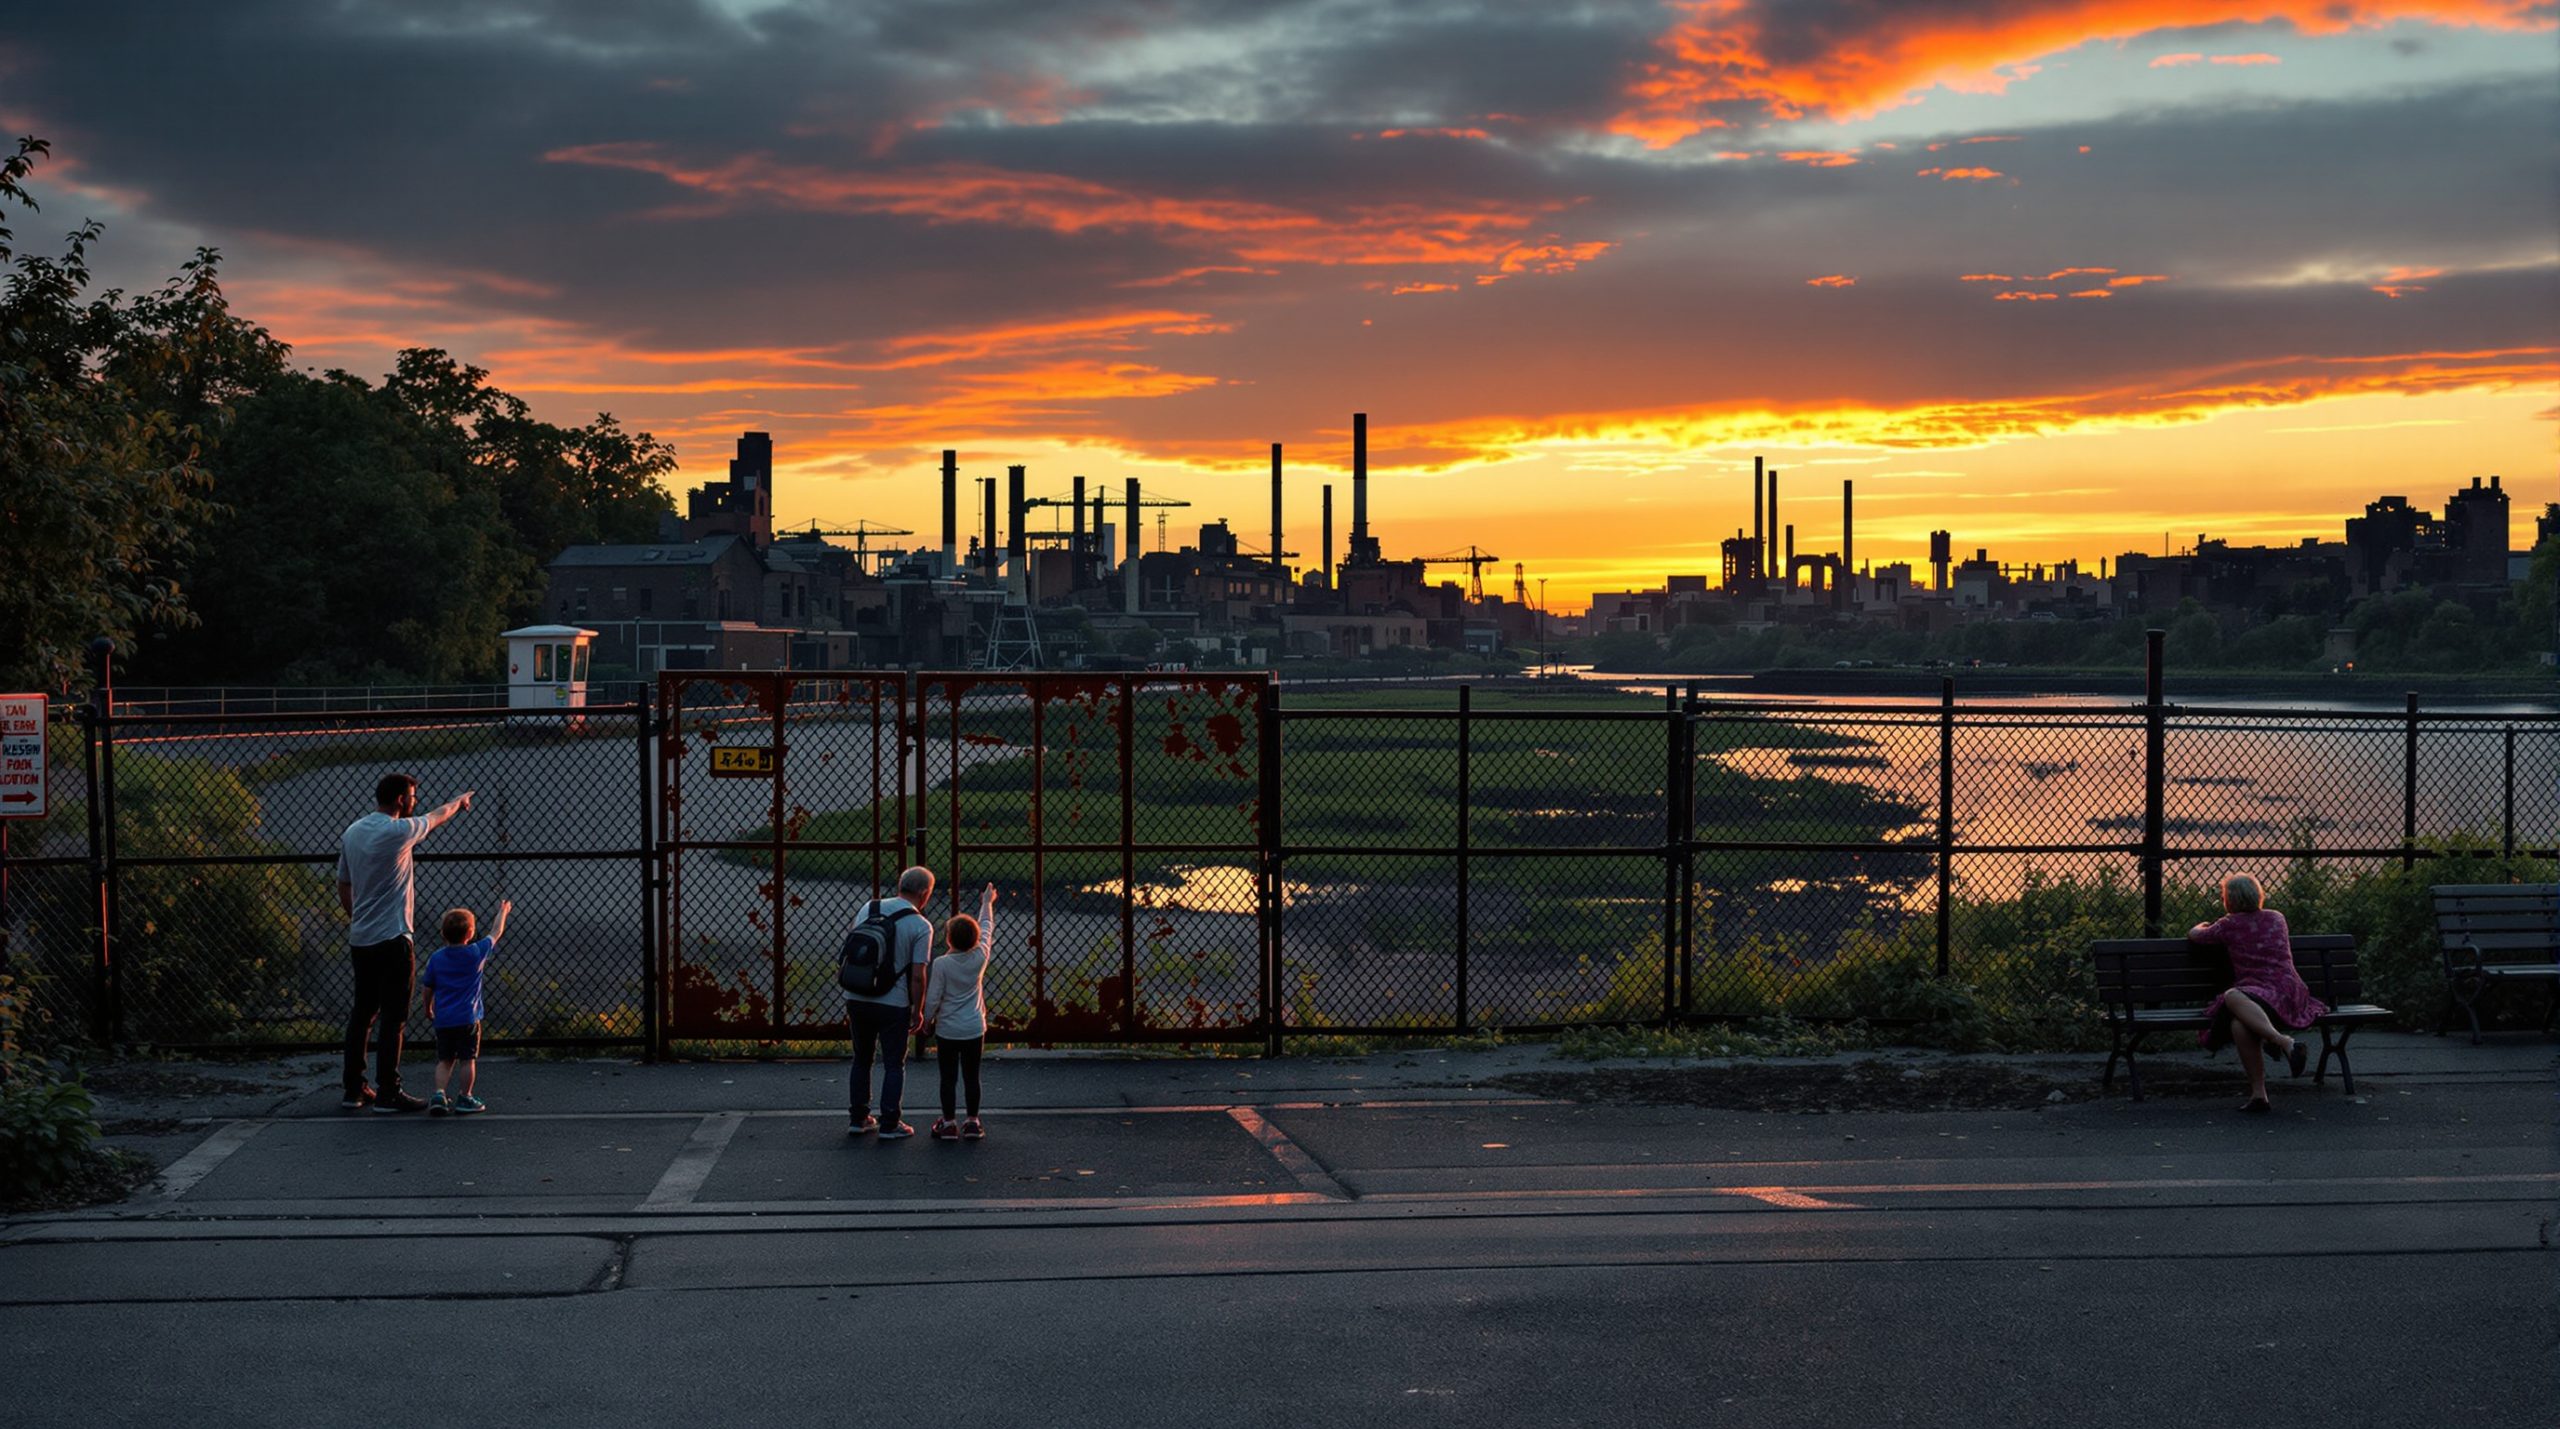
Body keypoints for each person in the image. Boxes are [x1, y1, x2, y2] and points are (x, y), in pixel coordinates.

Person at [336, 773, 473, 1113]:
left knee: (362, 1014)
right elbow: (438, 816)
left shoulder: (353, 832)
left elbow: (344, 884)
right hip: (394, 937)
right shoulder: (399, 831)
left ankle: (354, 1089)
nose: (414, 801)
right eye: (411, 796)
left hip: (362, 939)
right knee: (394, 1018)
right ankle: (388, 1091)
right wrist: (459, 801)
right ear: (400, 800)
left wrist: (359, 919)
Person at [2189, 872, 2324, 1113]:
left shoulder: (2228, 925)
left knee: (2232, 996)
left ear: (2230, 899)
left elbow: (2197, 936)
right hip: (2290, 991)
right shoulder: (2276, 918)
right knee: (2239, 1025)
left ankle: (2284, 1042)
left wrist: (2200, 925)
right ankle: (2259, 1095)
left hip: (2265, 994)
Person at [847, 866, 936, 1140]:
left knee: (862, 1058)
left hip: (857, 995)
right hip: (892, 1002)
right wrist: (917, 1010)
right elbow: (919, 976)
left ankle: (859, 1118)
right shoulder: (921, 925)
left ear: (900, 885)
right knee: (894, 1064)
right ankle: (890, 1122)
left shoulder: (869, 908)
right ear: (924, 893)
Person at [921, 884, 999, 1141]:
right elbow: (987, 927)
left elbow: (933, 997)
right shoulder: (980, 957)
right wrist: (987, 902)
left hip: (948, 1029)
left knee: (948, 1077)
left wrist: (928, 1019)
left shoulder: (942, 964)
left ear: (949, 939)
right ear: (975, 940)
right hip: (974, 1027)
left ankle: (948, 1122)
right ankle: (973, 1120)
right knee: (971, 1075)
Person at [419, 900, 507, 1116]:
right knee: (468, 1060)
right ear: (470, 933)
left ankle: (439, 1093)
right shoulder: (476, 953)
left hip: (444, 1019)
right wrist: (503, 912)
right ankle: (465, 1096)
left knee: (445, 1059)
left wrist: (428, 1008)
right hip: (468, 1018)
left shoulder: (436, 958)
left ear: (443, 933)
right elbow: (496, 932)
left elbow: (427, 987)